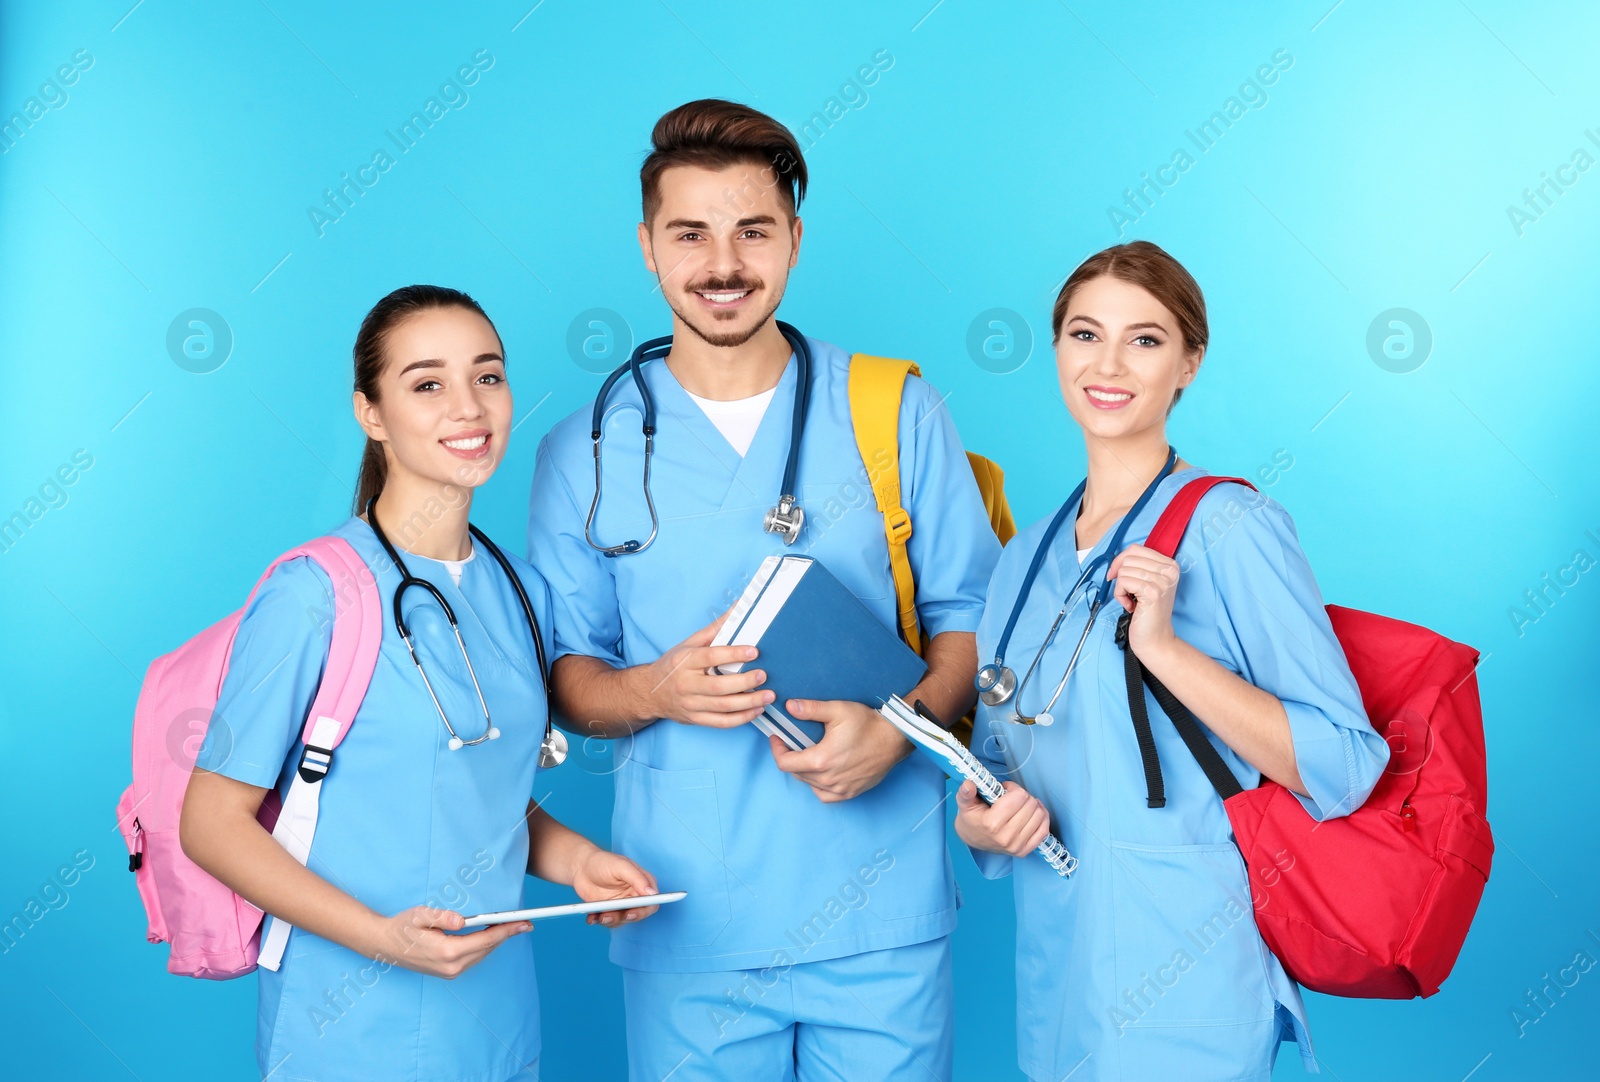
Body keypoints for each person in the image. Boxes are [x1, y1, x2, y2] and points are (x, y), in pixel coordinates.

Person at [525, 100, 1000, 1081]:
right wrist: (654, 688)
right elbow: (569, 674)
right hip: (688, 905)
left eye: (752, 231)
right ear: (648, 248)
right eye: (690, 234)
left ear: (793, 241)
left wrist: (902, 721)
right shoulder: (582, 450)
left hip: (880, 907)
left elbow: (970, 619)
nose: (722, 263)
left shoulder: (893, 409)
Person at [180, 285, 662, 1082]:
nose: (468, 408)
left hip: (495, 1016)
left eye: (489, 376)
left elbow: (476, 789)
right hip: (347, 1020)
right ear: (371, 412)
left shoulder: (519, 591)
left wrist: (579, 862)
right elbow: (211, 822)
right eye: (427, 383)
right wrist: (381, 938)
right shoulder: (314, 594)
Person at [956, 241, 1390, 1081]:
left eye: (1145, 340)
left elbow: (1346, 760)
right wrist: (978, 822)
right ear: (1056, 351)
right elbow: (1002, 761)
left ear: (1190, 361)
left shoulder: (1231, 527)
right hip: (1058, 968)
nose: (1108, 363)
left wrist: (1161, 648)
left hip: (1188, 966)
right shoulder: (1022, 558)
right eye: (1085, 334)